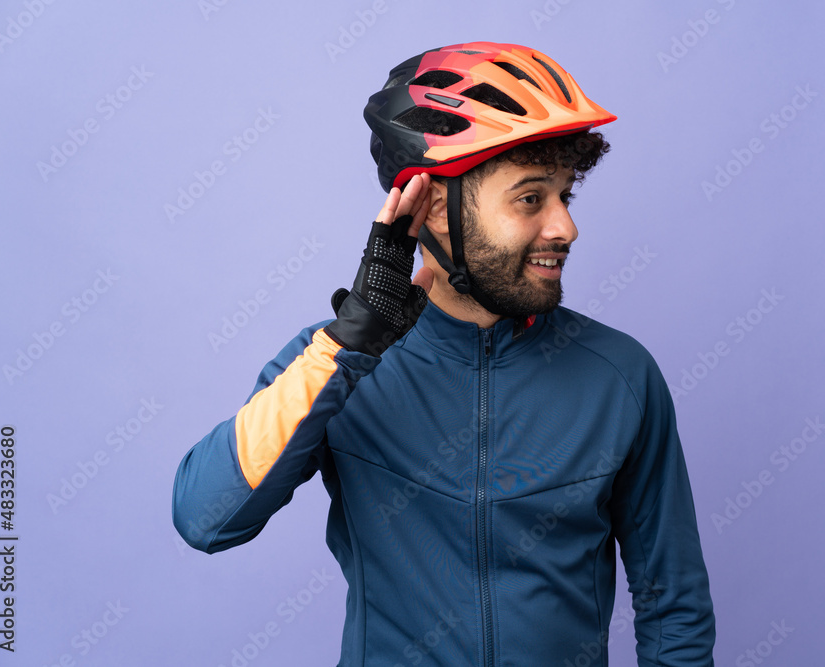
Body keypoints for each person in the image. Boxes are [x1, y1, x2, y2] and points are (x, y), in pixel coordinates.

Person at [173, 41, 715, 666]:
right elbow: (206, 517)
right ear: (433, 207)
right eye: (530, 199)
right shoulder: (333, 363)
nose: (565, 227)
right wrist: (351, 343)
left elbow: (673, 607)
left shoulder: (620, 375)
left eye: (565, 196)